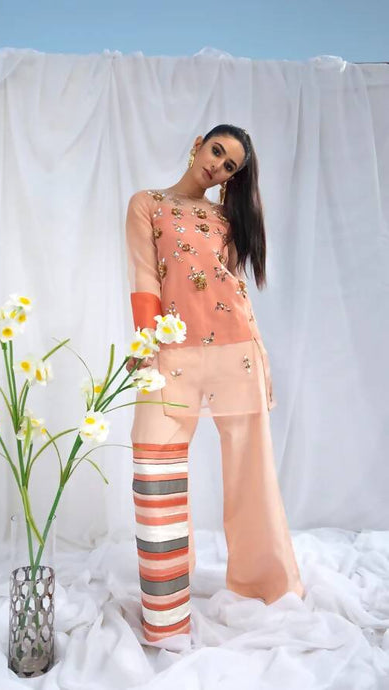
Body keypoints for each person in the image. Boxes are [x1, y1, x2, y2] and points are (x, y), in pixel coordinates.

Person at [124, 124, 305, 644]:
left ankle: (264, 586)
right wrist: (145, 344)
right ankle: (166, 615)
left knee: (251, 474)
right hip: (170, 351)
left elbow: (231, 284)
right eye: (217, 151)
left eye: (229, 166)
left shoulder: (226, 218)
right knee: (154, 464)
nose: (218, 166)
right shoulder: (148, 204)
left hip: (235, 347)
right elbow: (145, 277)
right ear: (198, 145)